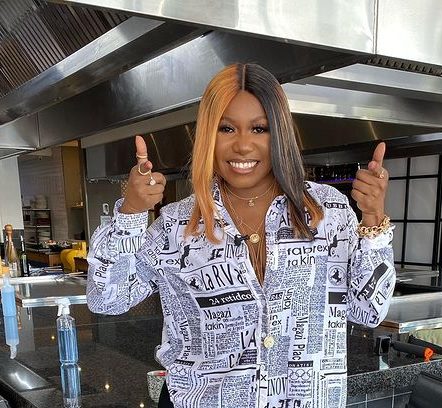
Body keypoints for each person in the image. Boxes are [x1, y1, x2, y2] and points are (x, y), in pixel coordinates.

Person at [87, 63, 396, 408]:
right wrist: (130, 212)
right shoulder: (176, 224)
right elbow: (107, 299)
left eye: (259, 128)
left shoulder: (329, 211)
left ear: (279, 134)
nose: (243, 146)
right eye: (227, 128)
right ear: (209, 135)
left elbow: (369, 311)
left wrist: (374, 219)